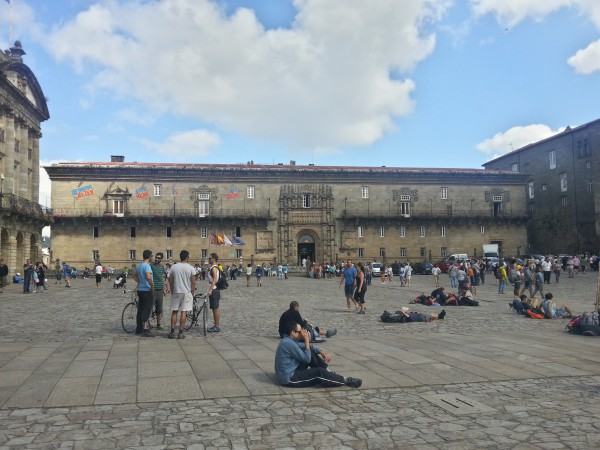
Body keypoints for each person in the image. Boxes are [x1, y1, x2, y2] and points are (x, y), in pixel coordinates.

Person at [275, 321, 361, 388]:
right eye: (299, 332)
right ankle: (345, 380)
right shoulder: (288, 344)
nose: (302, 333)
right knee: (319, 372)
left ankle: (329, 373)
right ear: (292, 332)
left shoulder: (290, 340)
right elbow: (307, 359)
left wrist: (320, 351)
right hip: (289, 378)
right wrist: (307, 340)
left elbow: (307, 347)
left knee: (311, 352)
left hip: (293, 370)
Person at [168, 250, 196, 339]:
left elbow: (171, 281)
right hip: (186, 292)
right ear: (187, 257)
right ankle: (180, 332)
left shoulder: (174, 267)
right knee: (184, 312)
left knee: (174, 311)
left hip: (176, 291)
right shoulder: (191, 268)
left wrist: (172, 290)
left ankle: (172, 332)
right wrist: (192, 293)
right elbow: (193, 282)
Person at [132, 250, 155, 337]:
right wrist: (152, 287)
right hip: (146, 290)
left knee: (140, 309)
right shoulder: (147, 266)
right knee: (146, 309)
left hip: (140, 289)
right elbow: (149, 277)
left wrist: (140, 281)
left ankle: (139, 328)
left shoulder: (139, 266)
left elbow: (133, 276)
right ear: (149, 257)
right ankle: (145, 329)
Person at [207, 253, 222, 333]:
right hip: (215, 290)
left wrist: (210, 289)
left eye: (210, 258)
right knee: (215, 308)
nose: (208, 260)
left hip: (214, 290)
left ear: (214, 259)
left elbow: (215, 279)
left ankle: (216, 326)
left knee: (215, 308)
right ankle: (216, 325)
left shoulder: (213, 268)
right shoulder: (215, 267)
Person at [151, 252, 166, 330]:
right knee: (150, 307)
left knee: (159, 308)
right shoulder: (151, 266)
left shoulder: (162, 267)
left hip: (160, 290)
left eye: (158, 258)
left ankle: (158, 324)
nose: (156, 259)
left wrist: (164, 289)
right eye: (156, 257)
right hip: (153, 289)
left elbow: (162, 278)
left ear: (161, 259)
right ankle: (147, 324)